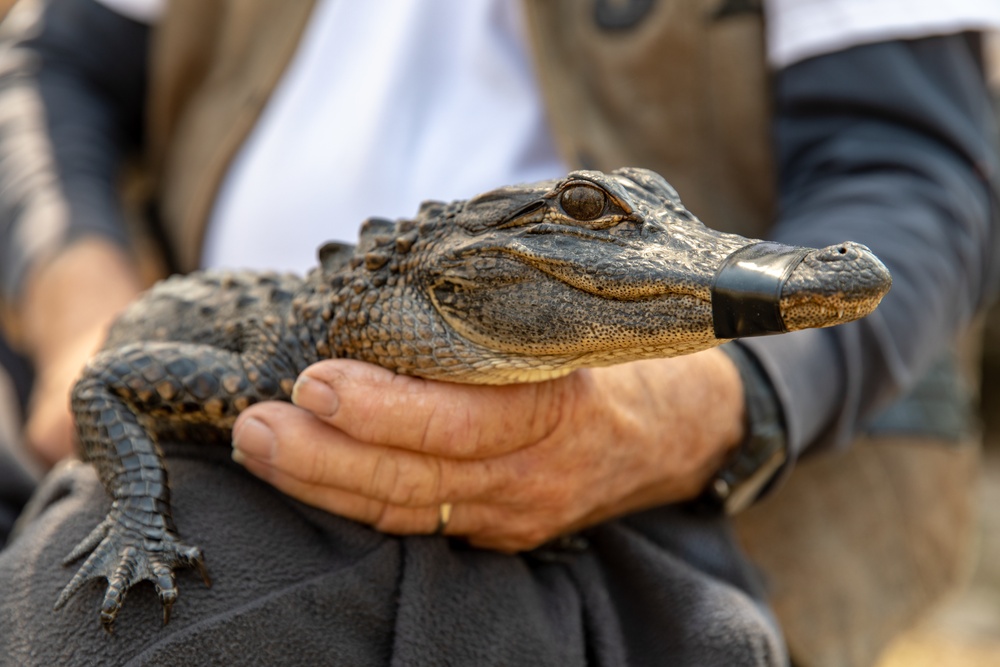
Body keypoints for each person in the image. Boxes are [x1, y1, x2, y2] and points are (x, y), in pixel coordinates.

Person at [0, 0, 998, 665]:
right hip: (238, 423)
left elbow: (918, 169)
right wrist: (76, 316)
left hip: (684, 481)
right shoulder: (263, 368)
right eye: (590, 212)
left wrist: (696, 406)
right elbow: (48, 71)